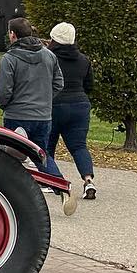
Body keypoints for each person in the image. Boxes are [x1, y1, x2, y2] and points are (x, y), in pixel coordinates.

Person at [0, 17, 78, 214]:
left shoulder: (10, 58)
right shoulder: (48, 55)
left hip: (17, 114)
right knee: (42, 154)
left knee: (10, 156)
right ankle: (62, 187)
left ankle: (9, 197)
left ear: (12, 34)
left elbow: (5, 90)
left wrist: (4, 104)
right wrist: (44, 99)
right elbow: (58, 83)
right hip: (43, 115)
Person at [46, 22, 96, 200]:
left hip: (53, 105)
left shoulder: (49, 58)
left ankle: (51, 180)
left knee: (47, 145)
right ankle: (88, 180)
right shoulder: (83, 59)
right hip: (79, 105)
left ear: (54, 39)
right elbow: (89, 86)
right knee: (79, 146)